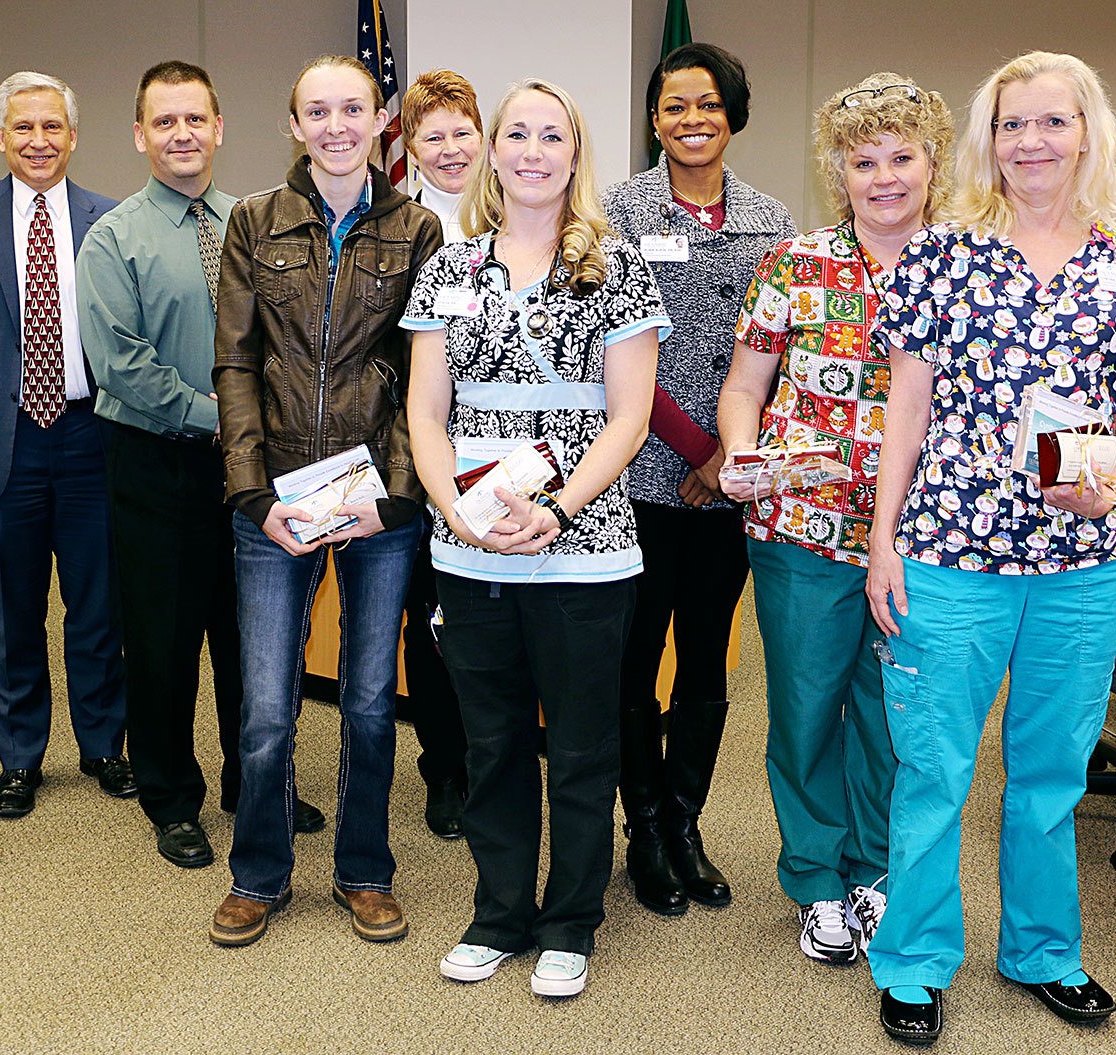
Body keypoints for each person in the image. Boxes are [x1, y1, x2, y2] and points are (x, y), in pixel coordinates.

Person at [863, 51, 1116, 1044]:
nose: (1029, 141)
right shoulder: (941, 257)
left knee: (1049, 769)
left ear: (1085, 134)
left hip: (1080, 568)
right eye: (1010, 124)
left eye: (1050, 122)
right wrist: (881, 539)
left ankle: (1042, 948)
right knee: (931, 769)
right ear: (987, 141)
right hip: (947, 557)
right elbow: (904, 412)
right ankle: (914, 960)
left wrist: (1111, 483)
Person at [404, 78, 666, 997]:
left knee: (586, 745)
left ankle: (570, 922)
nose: (530, 150)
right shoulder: (449, 268)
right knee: (494, 742)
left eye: (551, 135)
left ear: (573, 153)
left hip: (584, 547)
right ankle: (501, 913)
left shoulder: (616, 266)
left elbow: (629, 419)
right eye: (516, 133)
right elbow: (425, 413)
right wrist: (455, 509)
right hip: (470, 548)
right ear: (492, 149)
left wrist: (554, 512)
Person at [207, 55, 442, 947]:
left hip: (377, 502)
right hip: (275, 502)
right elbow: (234, 361)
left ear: (382, 120)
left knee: (372, 697)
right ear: (294, 125)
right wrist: (250, 488)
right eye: (318, 110)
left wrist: (395, 492)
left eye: (354, 108)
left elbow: (427, 371)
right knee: (267, 706)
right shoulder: (252, 221)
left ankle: (364, 870)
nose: (337, 124)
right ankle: (258, 874)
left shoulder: (418, 230)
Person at [719, 72, 953, 967]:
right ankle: (817, 877)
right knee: (808, 710)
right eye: (865, 161)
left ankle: (875, 870)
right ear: (839, 171)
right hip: (801, 528)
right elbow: (746, 384)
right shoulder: (794, 262)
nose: (884, 176)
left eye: (902, 157)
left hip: (929, 538)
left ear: (933, 165)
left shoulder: (967, 267)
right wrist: (742, 451)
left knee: (893, 713)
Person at [77, 61, 325, 870]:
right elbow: (120, 364)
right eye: (165, 122)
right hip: (159, 464)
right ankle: (170, 796)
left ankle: (250, 780)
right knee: (163, 639)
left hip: (254, 467)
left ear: (219, 128)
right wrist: (224, 418)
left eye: (196, 119)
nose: (182, 134)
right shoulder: (114, 237)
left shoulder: (256, 222)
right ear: (140, 136)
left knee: (252, 631)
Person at [603, 42, 795, 916]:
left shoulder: (772, 218)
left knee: (709, 661)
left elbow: (785, 351)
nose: (692, 120)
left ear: (734, 113)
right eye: (675, 105)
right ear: (653, 119)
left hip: (734, 486)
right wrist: (699, 454)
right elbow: (622, 349)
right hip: (641, 474)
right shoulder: (617, 211)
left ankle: (686, 822)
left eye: (708, 104)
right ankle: (642, 827)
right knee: (635, 658)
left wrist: (729, 462)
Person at [0, 71, 131, 819]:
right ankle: (19, 758)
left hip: (89, 437)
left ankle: (104, 745)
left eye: (52, 128)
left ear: (73, 136)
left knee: (98, 607)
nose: (38, 141)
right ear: (1, 136)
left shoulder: (112, 218)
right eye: (23, 128)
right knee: (10, 611)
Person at [396, 68, 485, 838]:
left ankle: (495, 756)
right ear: (411, 147)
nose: (451, 148)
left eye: (463, 130)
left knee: (495, 615)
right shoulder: (398, 230)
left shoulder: (521, 217)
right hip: (419, 457)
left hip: (509, 455)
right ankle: (444, 765)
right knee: (429, 621)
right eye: (434, 135)